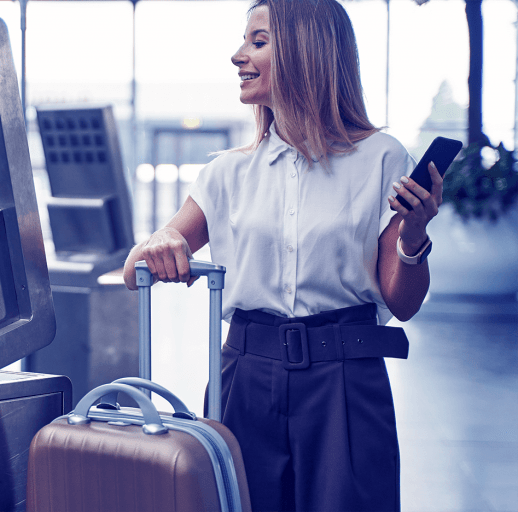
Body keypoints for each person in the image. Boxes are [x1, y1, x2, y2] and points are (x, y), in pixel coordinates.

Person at [122, 0, 444, 510]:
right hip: (244, 381)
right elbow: (134, 267)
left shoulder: (382, 159)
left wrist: (414, 237)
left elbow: (402, 303)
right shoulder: (227, 173)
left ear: (305, 51)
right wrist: (162, 242)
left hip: (345, 382)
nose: (237, 56)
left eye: (257, 41)